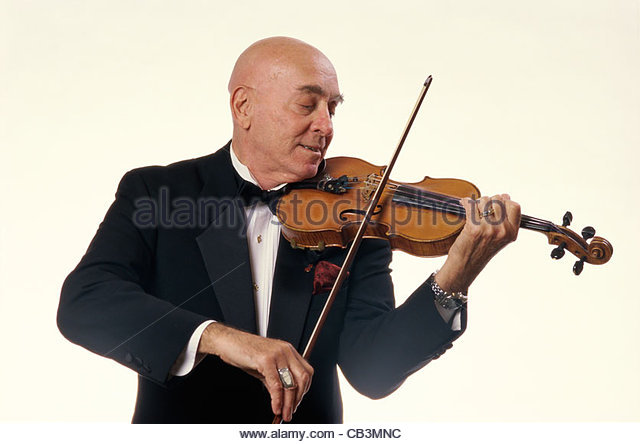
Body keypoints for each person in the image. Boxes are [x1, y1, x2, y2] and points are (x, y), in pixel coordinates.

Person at [57, 37, 521, 423]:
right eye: (307, 104)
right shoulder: (157, 193)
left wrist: (456, 275)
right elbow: (85, 302)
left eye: (333, 108)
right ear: (244, 106)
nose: (326, 126)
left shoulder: (355, 218)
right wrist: (220, 338)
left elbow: (374, 370)